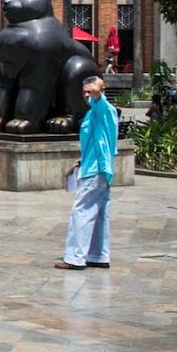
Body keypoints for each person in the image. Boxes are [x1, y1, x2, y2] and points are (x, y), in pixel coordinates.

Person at [56, 75, 117, 270]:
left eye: (89, 91)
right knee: (99, 212)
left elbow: (99, 99)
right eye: (84, 92)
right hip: (95, 167)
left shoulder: (104, 109)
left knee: (81, 210)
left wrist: (96, 88)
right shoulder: (94, 113)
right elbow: (97, 141)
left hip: (96, 170)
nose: (87, 95)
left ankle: (75, 257)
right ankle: (98, 255)